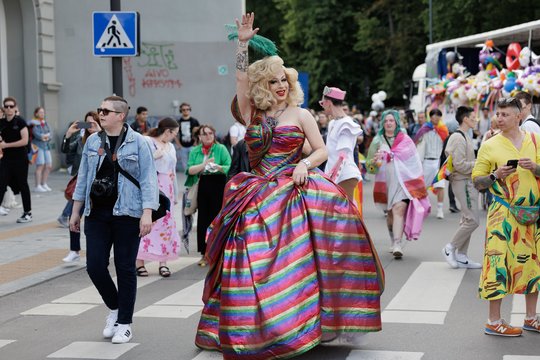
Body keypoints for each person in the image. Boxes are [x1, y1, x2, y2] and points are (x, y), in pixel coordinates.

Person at [195, 13, 383, 359]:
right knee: (251, 259)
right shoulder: (251, 112)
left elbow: (322, 149)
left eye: (284, 80)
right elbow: (238, 79)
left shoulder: (301, 114)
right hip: (255, 193)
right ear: (260, 87)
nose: (281, 86)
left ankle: (304, 323)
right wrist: (242, 43)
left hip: (294, 190)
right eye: (273, 81)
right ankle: (254, 328)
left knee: (304, 259)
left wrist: (304, 163)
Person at [69, 95, 159, 344]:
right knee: (95, 266)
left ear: (121, 116)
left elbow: (149, 178)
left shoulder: (138, 142)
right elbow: (83, 178)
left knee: (125, 268)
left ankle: (125, 323)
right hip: (96, 214)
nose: (101, 113)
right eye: (100, 109)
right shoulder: (92, 143)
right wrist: (76, 211)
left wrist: (147, 213)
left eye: (106, 110)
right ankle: (116, 309)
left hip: (128, 213)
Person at [472, 97, 540, 337]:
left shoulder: (535, 139)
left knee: (533, 264)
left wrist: (535, 168)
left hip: (532, 213)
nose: (499, 118)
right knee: (498, 263)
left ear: (518, 116)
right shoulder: (490, 145)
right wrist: (495, 175)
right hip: (502, 213)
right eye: (497, 114)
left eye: (504, 114)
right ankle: (494, 320)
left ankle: (531, 318)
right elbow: (477, 182)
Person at [366, 110, 428, 258]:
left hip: (403, 182)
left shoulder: (405, 139)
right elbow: (369, 166)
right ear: (382, 123)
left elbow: (414, 161)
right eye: (386, 121)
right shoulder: (377, 140)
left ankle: (398, 244)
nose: (388, 123)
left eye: (391, 121)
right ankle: (393, 239)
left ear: (396, 123)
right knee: (390, 214)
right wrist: (374, 163)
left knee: (399, 209)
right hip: (385, 182)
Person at [136, 118, 180, 277]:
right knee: (147, 223)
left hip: (167, 187)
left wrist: (175, 192)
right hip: (152, 185)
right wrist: (155, 156)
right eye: (174, 133)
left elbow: (172, 170)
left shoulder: (171, 147)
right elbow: (141, 162)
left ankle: (163, 262)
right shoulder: (148, 141)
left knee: (166, 224)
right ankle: (139, 262)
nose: (174, 136)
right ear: (167, 131)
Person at [441, 106, 482, 269]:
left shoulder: (464, 135)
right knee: (473, 220)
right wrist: (479, 164)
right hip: (462, 181)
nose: (475, 119)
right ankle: (450, 247)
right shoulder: (458, 137)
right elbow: (459, 164)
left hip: (466, 181)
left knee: (467, 219)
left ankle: (462, 256)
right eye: (473, 117)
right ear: (465, 119)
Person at [185, 124, 231, 266]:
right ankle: (205, 253)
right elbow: (190, 170)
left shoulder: (221, 148)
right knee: (203, 219)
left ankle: (219, 253)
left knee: (217, 218)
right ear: (199, 136)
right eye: (204, 133)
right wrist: (204, 164)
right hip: (202, 183)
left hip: (218, 184)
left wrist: (219, 167)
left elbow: (229, 166)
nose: (208, 136)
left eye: (210, 133)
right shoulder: (195, 151)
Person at [60, 111, 101, 262]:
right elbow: (65, 150)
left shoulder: (103, 138)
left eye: (93, 123)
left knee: (94, 221)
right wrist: (69, 134)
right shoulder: (80, 139)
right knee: (73, 215)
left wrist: (99, 132)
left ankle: (95, 253)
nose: (90, 126)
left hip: (99, 185)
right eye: (87, 123)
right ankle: (74, 249)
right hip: (81, 182)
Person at [319, 86, 363, 200]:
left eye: (322, 103)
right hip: (335, 177)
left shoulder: (347, 124)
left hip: (345, 176)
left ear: (328, 103)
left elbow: (342, 157)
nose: (322, 106)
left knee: (344, 215)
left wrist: (332, 179)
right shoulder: (333, 122)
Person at [0, 97, 32, 223]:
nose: (9, 108)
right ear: (3, 108)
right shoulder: (1, 122)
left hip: (20, 159)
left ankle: (27, 212)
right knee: (1, 184)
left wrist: (6, 145)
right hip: (6, 159)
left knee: (22, 184)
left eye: (11, 106)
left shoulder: (20, 122)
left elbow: (25, 141)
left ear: (15, 107)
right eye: (6, 106)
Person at [414, 108, 449, 219]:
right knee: (423, 186)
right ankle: (423, 207)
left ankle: (439, 209)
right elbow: (417, 142)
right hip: (426, 161)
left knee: (440, 186)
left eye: (438, 115)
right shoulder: (425, 129)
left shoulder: (443, 130)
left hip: (438, 162)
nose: (436, 117)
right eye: (433, 115)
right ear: (430, 117)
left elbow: (447, 144)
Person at [30, 107, 53, 192]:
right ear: (36, 113)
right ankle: (37, 185)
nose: (42, 114)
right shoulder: (34, 123)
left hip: (46, 146)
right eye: (40, 112)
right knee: (40, 165)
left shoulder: (45, 123)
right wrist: (44, 136)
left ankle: (44, 183)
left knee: (49, 165)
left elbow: (51, 133)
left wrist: (46, 136)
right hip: (38, 146)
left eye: (43, 112)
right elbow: (36, 134)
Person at [176, 102, 200, 171]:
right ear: (181, 111)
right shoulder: (178, 122)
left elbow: (199, 133)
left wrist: (196, 143)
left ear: (190, 110)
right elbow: (175, 134)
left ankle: (194, 180)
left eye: (187, 109)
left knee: (194, 164)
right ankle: (188, 180)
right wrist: (179, 145)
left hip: (193, 146)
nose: (186, 111)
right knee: (185, 166)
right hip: (183, 147)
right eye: (183, 109)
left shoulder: (194, 121)